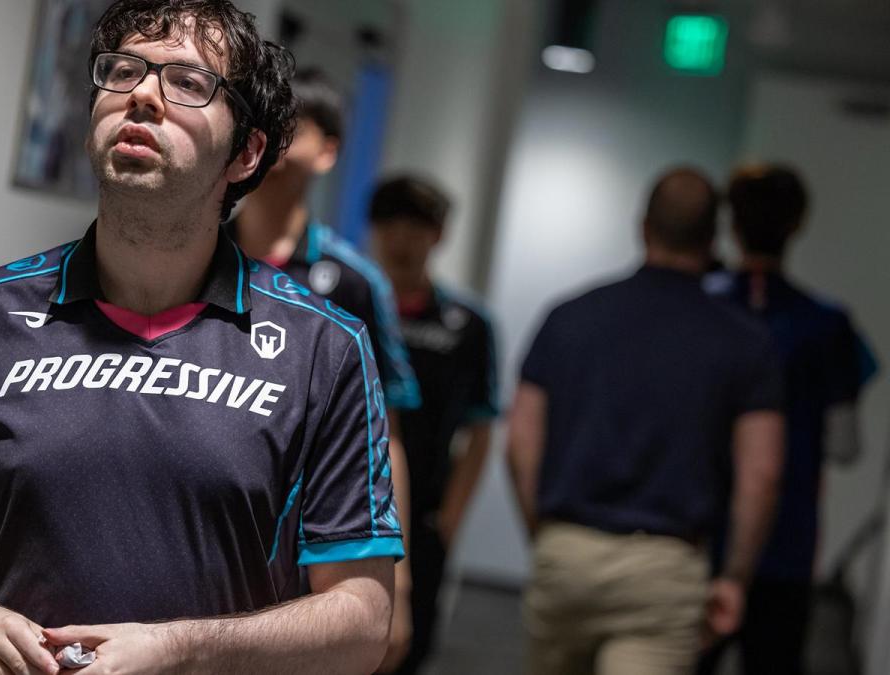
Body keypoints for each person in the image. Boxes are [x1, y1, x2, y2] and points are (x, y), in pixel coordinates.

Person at [0, 2, 403, 674]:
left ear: (247, 152)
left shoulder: (323, 347)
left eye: (188, 83)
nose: (142, 95)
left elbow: (364, 618)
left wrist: (183, 649)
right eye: (122, 72)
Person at [507, 167, 786, 675]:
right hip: (665, 567)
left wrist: (544, 532)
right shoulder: (745, 341)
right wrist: (735, 578)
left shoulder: (569, 316)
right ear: (712, 237)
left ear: (643, 227)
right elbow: (762, 474)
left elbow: (521, 439)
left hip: (568, 550)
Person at [226, 69, 421, 670]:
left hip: (314, 541)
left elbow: (383, 436)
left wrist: (400, 578)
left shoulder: (356, 282)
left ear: (328, 150)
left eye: (296, 127)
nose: (275, 141)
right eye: (264, 125)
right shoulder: (198, 253)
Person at [698, 164, 880, 675]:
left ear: (732, 224)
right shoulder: (825, 324)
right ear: (798, 224)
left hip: (697, 533)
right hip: (785, 543)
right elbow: (846, 446)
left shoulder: (701, 305)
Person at [367, 176, 499, 674]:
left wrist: (449, 521)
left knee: (408, 648)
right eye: (391, 224)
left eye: (417, 225)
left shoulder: (467, 325)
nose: (403, 237)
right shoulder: (341, 306)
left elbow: (481, 428)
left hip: (422, 517)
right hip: (337, 505)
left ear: (438, 234)